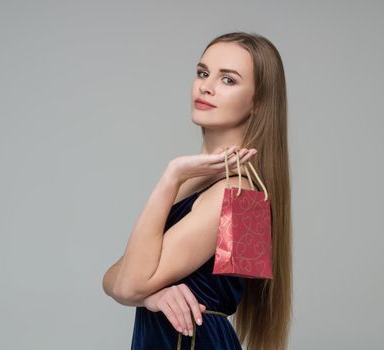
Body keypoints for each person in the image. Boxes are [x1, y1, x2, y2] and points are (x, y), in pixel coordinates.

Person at [102, 31, 292, 350]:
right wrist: (154, 294)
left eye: (228, 80)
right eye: (203, 73)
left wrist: (170, 177)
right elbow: (116, 278)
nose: (206, 86)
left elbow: (128, 285)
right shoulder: (205, 183)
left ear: (258, 102)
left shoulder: (239, 194)